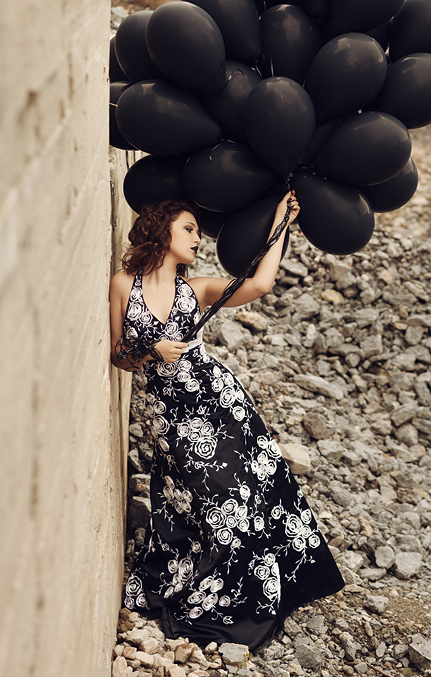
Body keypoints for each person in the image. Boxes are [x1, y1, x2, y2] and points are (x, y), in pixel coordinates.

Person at [110, 191, 344, 650]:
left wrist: (281, 224)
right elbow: (118, 355)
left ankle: (257, 587)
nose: (198, 239)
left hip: (218, 401)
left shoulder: (195, 289)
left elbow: (258, 285)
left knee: (246, 489)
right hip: (166, 413)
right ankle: (202, 582)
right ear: (162, 231)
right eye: (189, 229)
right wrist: (149, 351)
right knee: (194, 497)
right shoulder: (123, 285)